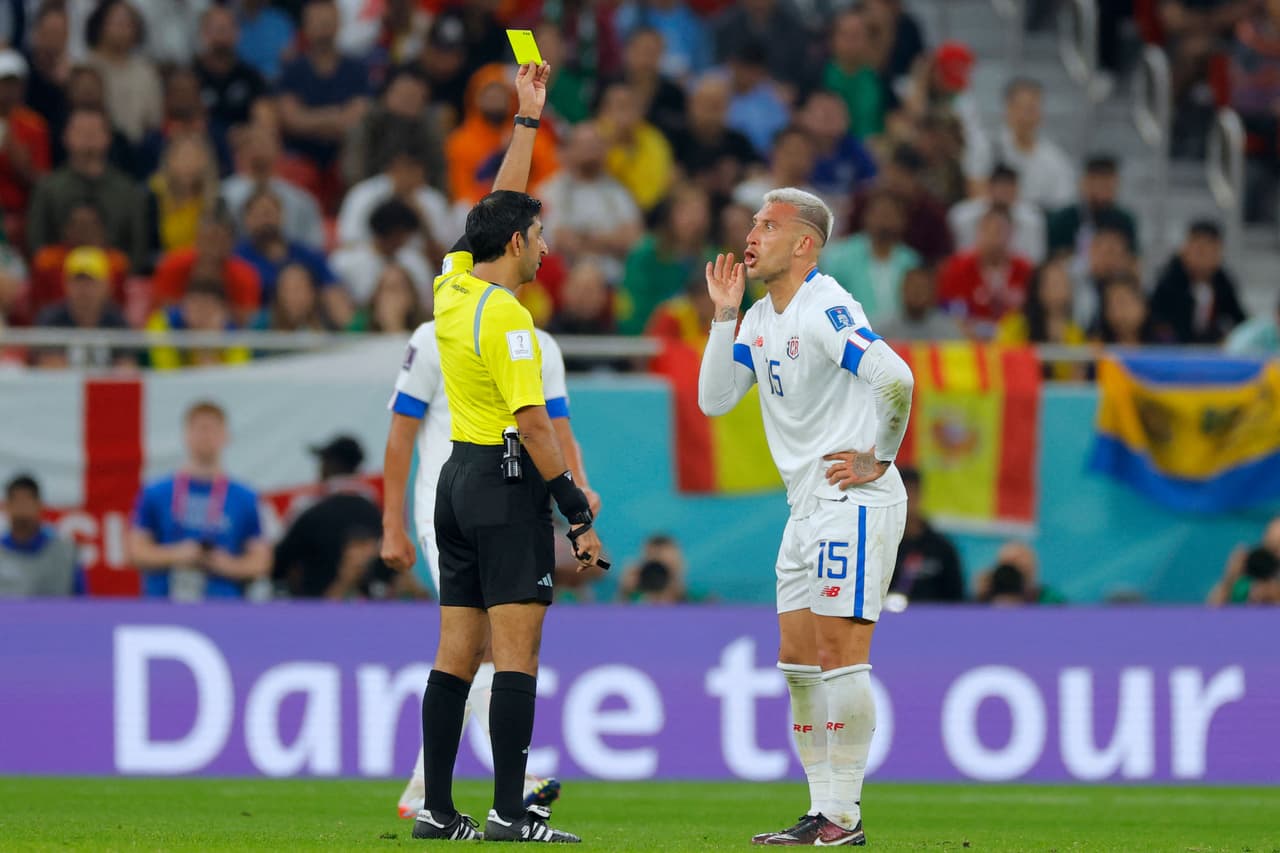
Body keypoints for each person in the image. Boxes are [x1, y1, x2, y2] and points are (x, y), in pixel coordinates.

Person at [387, 62, 602, 844]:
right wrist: (575, 510)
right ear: (519, 242)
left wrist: (526, 121)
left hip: (455, 483)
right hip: (509, 484)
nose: (545, 247)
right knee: (516, 655)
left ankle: (439, 810)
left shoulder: (450, 288)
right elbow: (536, 424)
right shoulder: (510, 321)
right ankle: (512, 812)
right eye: (538, 234)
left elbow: (488, 214)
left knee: (455, 652)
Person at [697, 187, 914, 845]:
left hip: (853, 499)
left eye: (767, 224)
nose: (750, 235)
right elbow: (714, 400)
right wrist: (723, 316)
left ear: (805, 244)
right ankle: (822, 808)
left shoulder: (826, 308)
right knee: (797, 662)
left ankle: (844, 814)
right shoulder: (761, 319)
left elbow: (895, 377)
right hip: (805, 507)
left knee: (840, 655)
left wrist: (880, 455)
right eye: (752, 223)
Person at [127, 400, 270, 600]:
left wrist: (227, 565)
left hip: (223, 603)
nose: (205, 437)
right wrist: (178, 555)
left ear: (225, 436)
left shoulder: (244, 496)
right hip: (165, 602)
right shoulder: (156, 492)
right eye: (199, 429)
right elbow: (135, 551)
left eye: (212, 430)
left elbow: (261, 560)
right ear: (186, 435)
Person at [1148, 221, 1247, 344]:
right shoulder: (1168, 281)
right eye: (1199, 250)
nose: (1203, 257)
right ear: (1185, 250)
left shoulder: (1223, 283)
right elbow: (1155, 319)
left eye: (1209, 251)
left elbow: (1240, 320)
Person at [889, 468, 965, 602]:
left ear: (921, 495)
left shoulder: (942, 548)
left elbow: (956, 598)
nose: (908, 499)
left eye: (913, 492)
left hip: (933, 620)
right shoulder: (880, 545)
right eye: (902, 493)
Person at [0, 474, 79, 597]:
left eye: (27, 501)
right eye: (16, 501)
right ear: (6, 506)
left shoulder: (65, 552)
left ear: (40, 505)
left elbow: (83, 603)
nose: (22, 508)